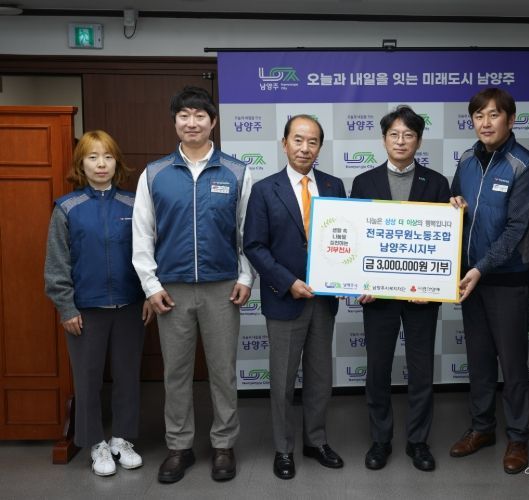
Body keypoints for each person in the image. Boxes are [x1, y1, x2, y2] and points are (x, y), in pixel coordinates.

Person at [132, 86, 255, 483]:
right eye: (184, 115)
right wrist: (151, 285)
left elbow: (246, 232)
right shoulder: (155, 174)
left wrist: (245, 276)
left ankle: (223, 445)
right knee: (176, 373)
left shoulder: (237, 172)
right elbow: (142, 234)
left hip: (223, 288)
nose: (192, 122)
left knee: (223, 372)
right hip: (172, 289)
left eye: (200, 115)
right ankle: (179, 447)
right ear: (175, 122)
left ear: (212, 121)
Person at [44, 130, 153, 477]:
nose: (101, 164)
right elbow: (57, 265)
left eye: (107, 156)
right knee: (87, 379)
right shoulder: (67, 208)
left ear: (117, 163)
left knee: (127, 376)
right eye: (92, 157)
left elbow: (151, 252)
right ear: (81, 164)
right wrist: (66, 307)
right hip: (85, 311)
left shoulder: (134, 204)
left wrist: (149, 294)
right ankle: (95, 443)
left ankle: (122, 439)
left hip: (130, 306)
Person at [243, 115, 346, 480]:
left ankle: (316, 441)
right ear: (284, 143)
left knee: (320, 378)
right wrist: (288, 282)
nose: (305, 148)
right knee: (283, 381)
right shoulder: (264, 189)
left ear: (320, 147)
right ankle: (283, 448)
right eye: (298, 140)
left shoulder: (334, 185)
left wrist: (348, 276)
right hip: (285, 298)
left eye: (312, 142)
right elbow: (254, 245)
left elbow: (347, 237)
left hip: (323, 299)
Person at [350, 106, 451, 472]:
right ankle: (380, 440)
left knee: (421, 371)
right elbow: (356, 238)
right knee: (377, 370)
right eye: (394, 134)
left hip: (421, 296)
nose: (401, 141)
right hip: (378, 296)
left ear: (419, 141)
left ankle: (418, 441)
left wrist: (434, 287)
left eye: (408, 135)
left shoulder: (437, 183)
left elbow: (445, 242)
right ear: (383, 140)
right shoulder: (364, 182)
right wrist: (360, 282)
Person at [448, 88, 529, 474]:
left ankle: (518, 437)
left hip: (507, 279)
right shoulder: (467, 161)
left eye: (493, 115)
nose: (485, 123)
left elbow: (518, 229)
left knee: (513, 363)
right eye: (478, 116)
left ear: (511, 119)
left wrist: (480, 267)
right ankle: (482, 428)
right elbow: (455, 206)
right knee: (479, 360)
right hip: (471, 280)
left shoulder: (524, 166)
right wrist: (454, 205)